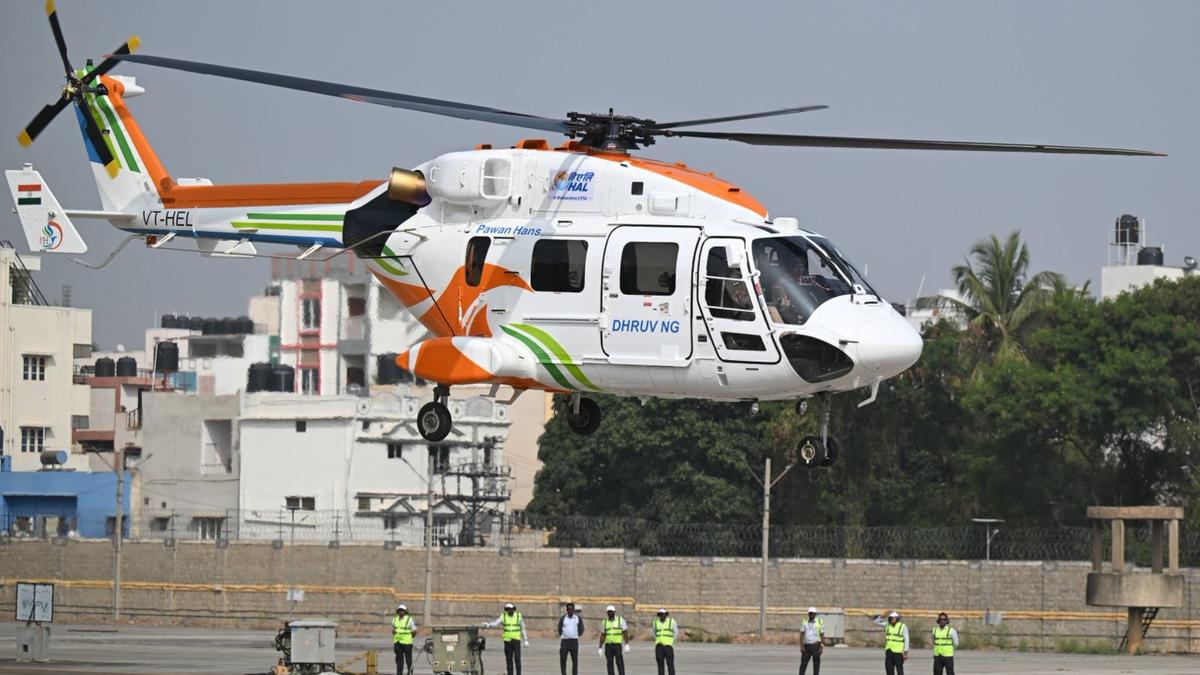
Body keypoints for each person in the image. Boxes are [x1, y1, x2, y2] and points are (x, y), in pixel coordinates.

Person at [485, 602, 529, 675]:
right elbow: (496, 623)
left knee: (517, 658)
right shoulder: (504, 616)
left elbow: (523, 628)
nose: (509, 610)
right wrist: (489, 625)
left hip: (516, 640)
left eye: (510, 609)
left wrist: (526, 639)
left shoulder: (518, 616)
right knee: (509, 659)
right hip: (507, 640)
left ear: (513, 609)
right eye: (508, 609)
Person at [873, 610, 909, 675]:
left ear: (897, 618)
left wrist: (905, 652)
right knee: (889, 670)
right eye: (890, 617)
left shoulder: (903, 626)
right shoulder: (887, 625)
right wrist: (883, 616)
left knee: (899, 671)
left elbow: (906, 639)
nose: (891, 619)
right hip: (889, 651)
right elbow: (876, 622)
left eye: (893, 618)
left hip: (898, 652)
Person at [597, 604, 629, 675]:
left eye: (611, 611)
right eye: (608, 611)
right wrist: (600, 647)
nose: (610, 613)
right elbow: (603, 635)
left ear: (614, 612)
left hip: (617, 645)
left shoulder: (620, 620)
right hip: (608, 645)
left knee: (619, 662)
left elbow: (625, 632)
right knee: (609, 664)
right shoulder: (605, 622)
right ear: (607, 612)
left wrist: (627, 644)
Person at [557, 602, 585, 675]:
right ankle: (563, 673)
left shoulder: (577, 618)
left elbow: (581, 628)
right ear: (567, 610)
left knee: (575, 660)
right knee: (563, 659)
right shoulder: (563, 618)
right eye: (569, 609)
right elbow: (559, 628)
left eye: (571, 609)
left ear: (574, 610)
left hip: (574, 642)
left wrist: (576, 635)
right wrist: (564, 635)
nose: (570, 611)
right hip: (565, 642)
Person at [391, 604, 416, 675]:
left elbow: (414, 631)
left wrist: (409, 637)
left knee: (408, 659)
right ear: (397, 611)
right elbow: (394, 629)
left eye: (402, 610)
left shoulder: (409, 619)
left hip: (407, 642)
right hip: (397, 642)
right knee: (399, 659)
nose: (401, 612)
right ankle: (399, 673)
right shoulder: (395, 619)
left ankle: (410, 672)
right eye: (399, 610)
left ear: (405, 612)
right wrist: (394, 633)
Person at [653, 608, 679, 675]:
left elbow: (676, 632)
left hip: (668, 646)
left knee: (670, 664)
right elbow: (654, 633)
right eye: (660, 614)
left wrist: (671, 641)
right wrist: (658, 640)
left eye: (663, 614)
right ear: (659, 615)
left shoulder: (671, 622)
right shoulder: (655, 622)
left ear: (666, 614)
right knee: (660, 665)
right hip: (659, 646)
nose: (662, 615)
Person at [799, 606, 824, 675]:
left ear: (815, 614)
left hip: (816, 645)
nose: (811, 614)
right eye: (810, 613)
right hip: (806, 646)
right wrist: (801, 646)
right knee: (803, 664)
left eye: (813, 613)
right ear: (808, 614)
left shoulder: (819, 622)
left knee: (816, 664)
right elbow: (801, 634)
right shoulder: (804, 622)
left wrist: (821, 646)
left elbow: (822, 635)